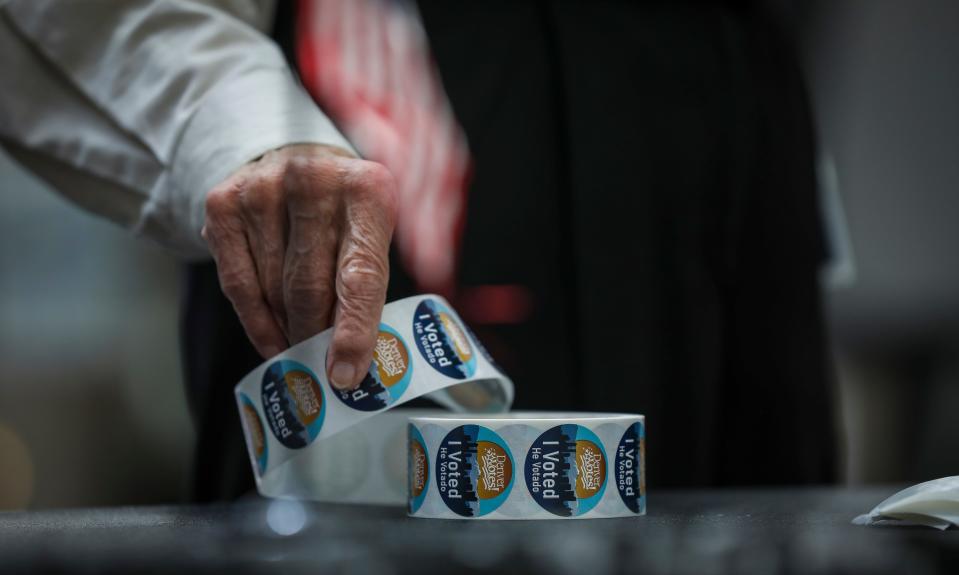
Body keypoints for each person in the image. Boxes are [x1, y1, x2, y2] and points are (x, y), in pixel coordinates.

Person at [0, 0, 837, 500]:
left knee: (756, 533)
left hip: (713, 109)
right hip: (345, 80)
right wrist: (244, 129)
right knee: (331, 540)